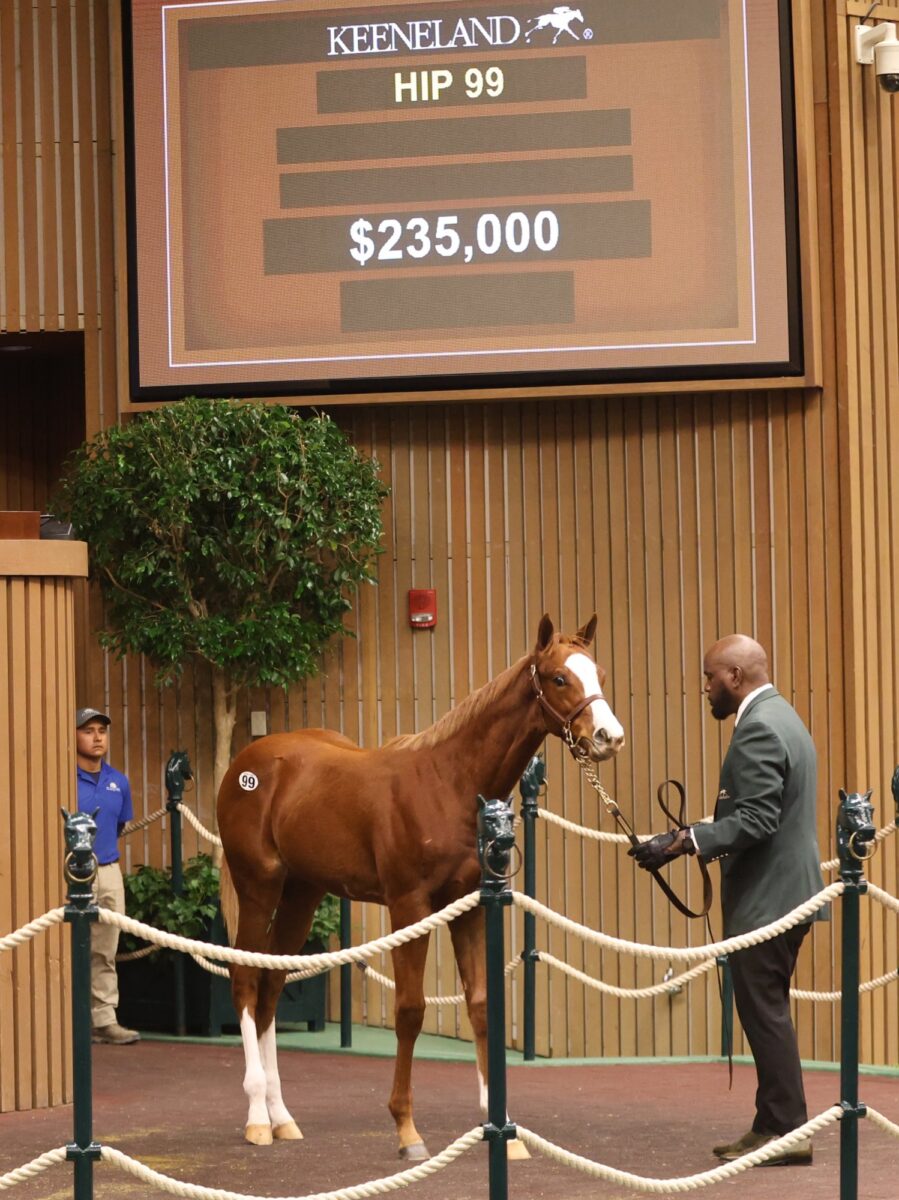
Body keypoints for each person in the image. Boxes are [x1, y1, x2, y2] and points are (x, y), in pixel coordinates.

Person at [629, 635, 825, 1166]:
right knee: (768, 1010)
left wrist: (680, 843)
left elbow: (759, 820)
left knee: (764, 1014)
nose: (706, 690)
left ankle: (786, 1131)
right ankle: (773, 1124)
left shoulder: (759, 726)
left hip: (771, 898)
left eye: (710, 679)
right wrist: (687, 838)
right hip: (788, 893)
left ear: (734, 677)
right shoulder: (785, 716)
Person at [75, 707, 141, 1045]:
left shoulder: (120, 781)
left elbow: (118, 825)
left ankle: (104, 1020)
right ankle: (68, 1021)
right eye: (88, 730)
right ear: (73, 736)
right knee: (67, 948)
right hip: (73, 873)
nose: (97, 736)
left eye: (102, 730)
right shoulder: (65, 779)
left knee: (105, 950)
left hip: (110, 870)